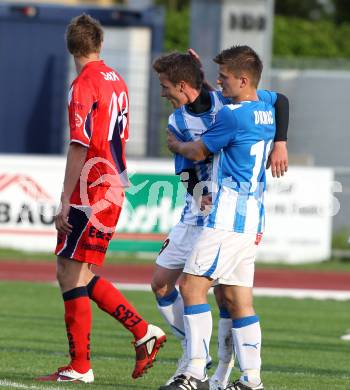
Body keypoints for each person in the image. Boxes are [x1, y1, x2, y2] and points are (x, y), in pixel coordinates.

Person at [36, 14, 166, 383]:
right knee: (73, 270)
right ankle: (140, 334)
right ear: (100, 44)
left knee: (71, 271)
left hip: (91, 187)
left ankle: (86, 363)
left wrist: (65, 198)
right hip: (111, 183)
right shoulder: (118, 80)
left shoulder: (82, 85)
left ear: (70, 46)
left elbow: (79, 145)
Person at [152, 49, 288, 390]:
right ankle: (250, 380)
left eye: (224, 76)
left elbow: (197, 152)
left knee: (192, 287)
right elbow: (280, 100)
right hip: (245, 214)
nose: (219, 81)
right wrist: (280, 141)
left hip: (225, 214)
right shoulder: (259, 108)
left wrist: (178, 147)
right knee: (234, 297)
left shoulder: (230, 112)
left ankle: (194, 371)